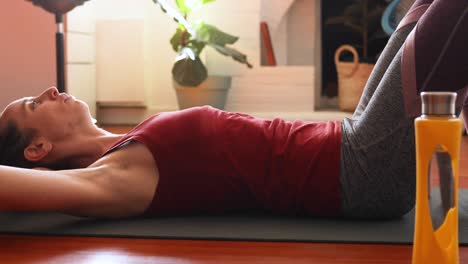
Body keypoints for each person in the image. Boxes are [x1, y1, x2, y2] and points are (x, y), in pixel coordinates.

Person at [0, 0, 467, 219]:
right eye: (31, 104)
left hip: (349, 137)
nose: (46, 89)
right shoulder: (115, 176)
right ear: (38, 149)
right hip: (363, 170)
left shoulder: (130, 139)